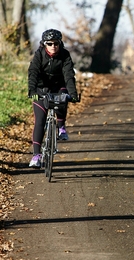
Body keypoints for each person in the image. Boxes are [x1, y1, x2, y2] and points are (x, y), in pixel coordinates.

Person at [28, 28, 79, 168]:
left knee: (63, 97)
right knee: (40, 121)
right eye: (49, 44)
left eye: (56, 43)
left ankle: (61, 127)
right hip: (41, 88)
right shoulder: (39, 54)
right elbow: (33, 72)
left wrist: (73, 94)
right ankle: (36, 156)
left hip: (59, 86)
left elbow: (69, 75)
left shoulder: (65, 55)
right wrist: (32, 90)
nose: (53, 47)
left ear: (59, 43)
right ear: (44, 44)